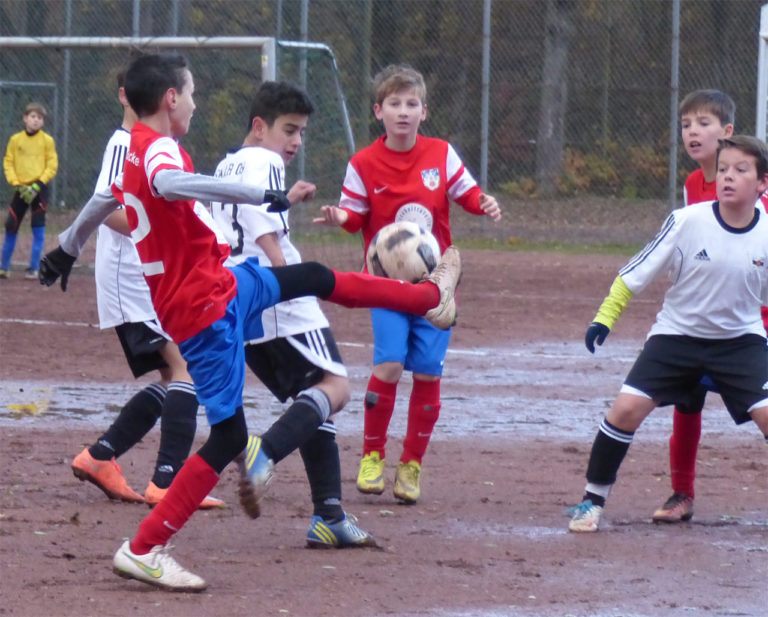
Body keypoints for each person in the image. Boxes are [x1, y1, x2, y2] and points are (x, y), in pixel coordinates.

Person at [39, 53, 460, 591]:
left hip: (224, 283)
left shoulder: (132, 150)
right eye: (189, 93)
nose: (193, 102)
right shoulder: (159, 147)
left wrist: (66, 248)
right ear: (171, 98)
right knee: (229, 437)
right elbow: (172, 183)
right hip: (204, 311)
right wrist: (260, 193)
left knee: (311, 275)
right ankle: (143, 548)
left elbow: (103, 198)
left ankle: (424, 295)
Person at [314, 63, 501, 504]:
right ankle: (372, 456)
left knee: (428, 373)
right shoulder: (362, 163)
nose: (403, 111)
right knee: (390, 365)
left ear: (424, 111)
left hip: (436, 284)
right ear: (378, 111)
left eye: (411, 104)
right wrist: (341, 218)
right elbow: (354, 217)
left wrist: (484, 203)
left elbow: (466, 193)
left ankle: (412, 465)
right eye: (394, 104)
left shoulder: (440, 153)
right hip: (385, 285)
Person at [568, 135, 768, 533]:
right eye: (724, 168)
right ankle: (592, 500)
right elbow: (634, 274)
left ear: (762, 184)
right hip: (676, 337)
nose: (728, 177)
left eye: (741, 170)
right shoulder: (687, 221)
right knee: (624, 410)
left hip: (740, 342)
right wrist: (604, 318)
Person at [209, 80, 375, 547]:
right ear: (259, 127)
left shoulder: (227, 165)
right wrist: (288, 282)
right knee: (336, 387)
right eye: (289, 130)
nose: (296, 141)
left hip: (241, 299)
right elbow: (265, 234)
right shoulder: (264, 160)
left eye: (301, 132)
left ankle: (330, 516)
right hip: (277, 294)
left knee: (312, 401)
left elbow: (237, 222)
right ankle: (266, 451)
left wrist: (290, 201)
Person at [70, 69, 223, 510]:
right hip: (130, 279)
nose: (192, 99)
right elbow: (107, 208)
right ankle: (167, 481)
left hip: (148, 278)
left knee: (174, 373)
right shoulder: (125, 144)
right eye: (189, 90)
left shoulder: (159, 145)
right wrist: (154, 225)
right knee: (185, 370)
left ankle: (100, 456)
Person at [0, 102, 58, 279]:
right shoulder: (15, 140)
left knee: (38, 229)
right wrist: (17, 184)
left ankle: (33, 268)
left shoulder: (47, 141)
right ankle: (4, 267)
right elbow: (8, 162)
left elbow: (52, 164)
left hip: (38, 190)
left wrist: (37, 185)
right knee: (11, 225)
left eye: (39, 118)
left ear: (43, 122)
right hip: (21, 189)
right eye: (32, 117)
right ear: (25, 118)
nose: (35, 120)